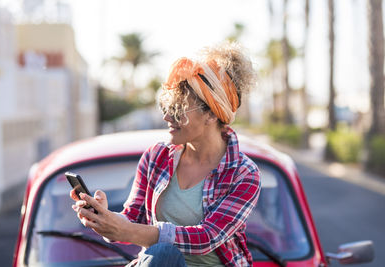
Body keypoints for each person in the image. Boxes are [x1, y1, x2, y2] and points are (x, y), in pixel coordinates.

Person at [71, 41, 261, 267]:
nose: (167, 118)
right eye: (167, 108)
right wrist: (105, 218)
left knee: (162, 253)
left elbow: (206, 238)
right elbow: (132, 219)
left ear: (211, 114)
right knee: (161, 256)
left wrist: (127, 229)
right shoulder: (156, 157)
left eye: (178, 110)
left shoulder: (244, 174)